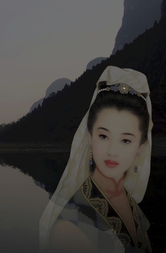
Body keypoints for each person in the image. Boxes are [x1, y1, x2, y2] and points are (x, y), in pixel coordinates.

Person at [39, 66, 153, 252]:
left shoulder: (128, 201)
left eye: (125, 140)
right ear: (90, 137)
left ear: (140, 146)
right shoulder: (70, 226)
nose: (112, 151)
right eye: (104, 136)